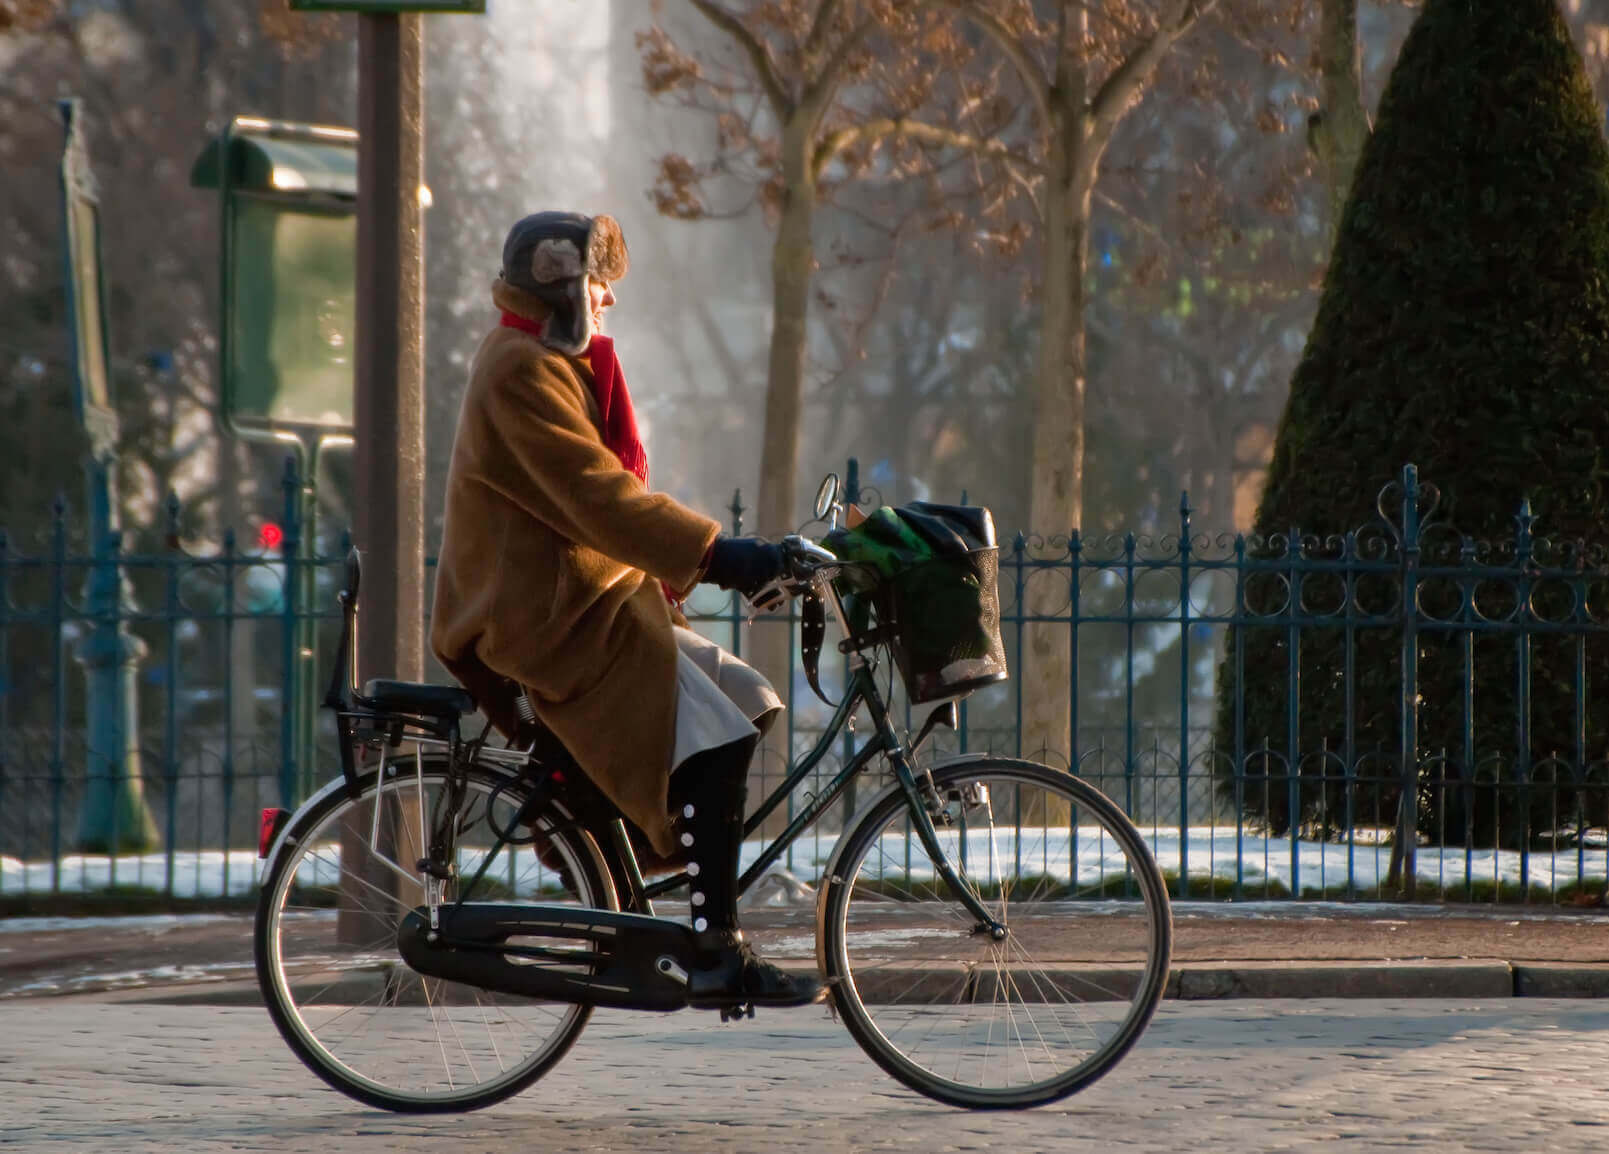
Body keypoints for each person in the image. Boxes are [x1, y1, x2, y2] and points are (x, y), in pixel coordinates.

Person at [430, 210, 822, 1008]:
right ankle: (715, 950)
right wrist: (722, 554)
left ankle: (611, 853)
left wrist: (725, 560)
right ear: (566, 287)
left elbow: (604, 504)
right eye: (600, 284)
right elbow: (597, 496)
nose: (609, 300)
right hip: (551, 620)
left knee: (745, 700)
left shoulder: (539, 359)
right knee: (719, 732)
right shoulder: (519, 369)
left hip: (594, 601)